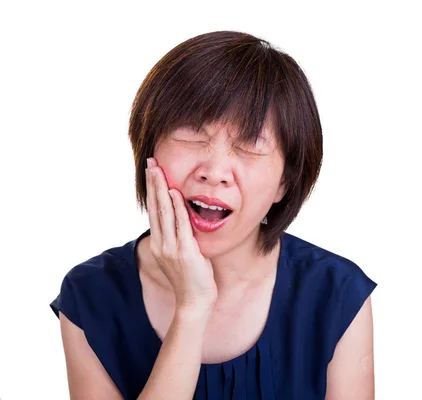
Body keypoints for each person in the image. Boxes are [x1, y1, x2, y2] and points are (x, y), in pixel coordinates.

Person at [50, 31, 377, 399]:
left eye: (250, 145)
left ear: (284, 182)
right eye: (192, 134)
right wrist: (192, 308)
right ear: (149, 150)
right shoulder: (91, 296)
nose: (215, 170)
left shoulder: (336, 295)